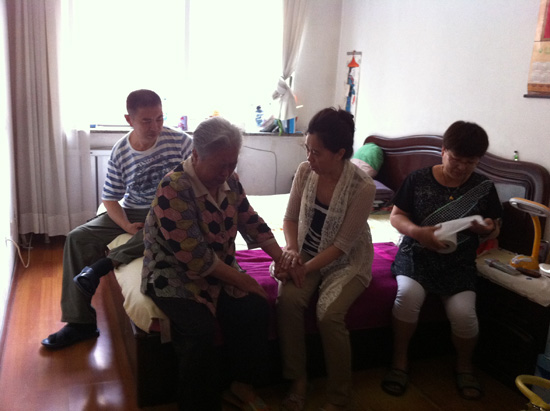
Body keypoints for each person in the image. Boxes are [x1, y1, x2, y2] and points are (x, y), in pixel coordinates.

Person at [141, 116, 284, 411]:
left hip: (220, 269)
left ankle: (241, 385)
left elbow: (250, 220)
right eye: (220, 165)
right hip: (175, 274)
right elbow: (195, 258)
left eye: (232, 164)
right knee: (199, 332)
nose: (226, 172)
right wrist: (243, 279)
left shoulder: (230, 181)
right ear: (196, 155)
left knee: (255, 308)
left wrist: (281, 257)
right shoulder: (173, 188)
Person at [41, 89, 192, 350]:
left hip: (170, 209)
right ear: (129, 120)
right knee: (77, 238)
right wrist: (126, 225)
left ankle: (102, 266)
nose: (155, 127)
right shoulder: (121, 151)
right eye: (147, 121)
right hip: (133, 210)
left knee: (162, 228)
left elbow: (201, 180)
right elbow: (110, 199)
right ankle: (80, 323)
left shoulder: (182, 142)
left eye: (160, 119)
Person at [380, 121, 502, 400]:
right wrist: (418, 233)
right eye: (456, 159)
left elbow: (495, 226)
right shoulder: (418, 179)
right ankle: (399, 361)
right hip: (417, 254)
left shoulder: (483, 187)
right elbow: (396, 217)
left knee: (464, 314)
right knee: (407, 297)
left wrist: (487, 229)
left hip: (458, 262)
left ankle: (464, 366)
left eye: (470, 163)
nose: (461, 167)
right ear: (443, 151)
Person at [272, 107, 376, 411]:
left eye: (316, 152)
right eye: (307, 148)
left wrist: (303, 268)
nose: (309, 158)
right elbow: (290, 218)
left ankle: (339, 397)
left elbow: (342, 245)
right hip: (307, 249)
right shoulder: (306, 171)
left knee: (329, 316)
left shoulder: (363, 187)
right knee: (287, 300)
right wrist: (292, 252)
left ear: (340, 153)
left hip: (347, 259)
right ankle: (298, 380)